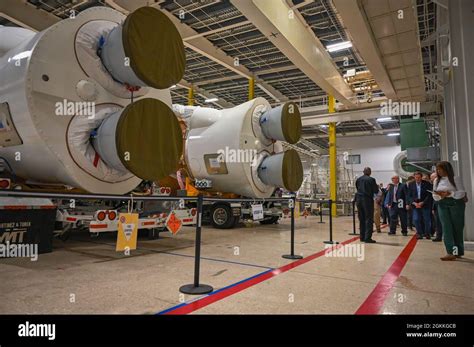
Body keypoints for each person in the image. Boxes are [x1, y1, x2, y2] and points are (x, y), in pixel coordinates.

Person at [432, 161, 467, 261]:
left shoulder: (456, 178)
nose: (439, 171)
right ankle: (450, 252)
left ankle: (458, 252)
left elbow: (462, 192)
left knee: (457, 228)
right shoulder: (436, 181)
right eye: (437, 169)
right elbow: (434, 195)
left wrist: (450, 193)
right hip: (442, 204)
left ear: (447, 169)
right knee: (446, 228)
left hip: (456, 204)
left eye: (440, 169)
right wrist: (440, 195)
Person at [355, 167, 379, 243]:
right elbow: (376, 190)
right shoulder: (371, 180)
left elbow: (357, 188)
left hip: (358, 200)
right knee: (368, 218)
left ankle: (362, 236)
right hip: (367, 200)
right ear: (370, 172)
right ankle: (367, 238)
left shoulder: (358, 179)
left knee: (361, 218)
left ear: (363, 172)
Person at [407, 171, 433, 240]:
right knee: (416, 219)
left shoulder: (427, 184)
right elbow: (409, 195)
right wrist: (414, 203)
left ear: (421, 177)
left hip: (425, 204)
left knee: (427, 219)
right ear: (414, 177)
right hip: (415, 204)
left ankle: (427, 233)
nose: (417, 179)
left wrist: (423, 202)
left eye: (419, 177)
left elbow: (429, 195)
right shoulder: (411, 184)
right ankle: (419, 233)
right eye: (416, 177)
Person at [430, 171, 442, 242]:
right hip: (436, 204)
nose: (431, 179)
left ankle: (440, 235)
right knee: (437, 221)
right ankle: (439, 235)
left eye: (432, 178)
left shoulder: (439, 183)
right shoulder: (434, 184)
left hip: (440, 203)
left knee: (440, 221)